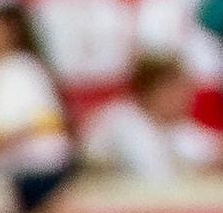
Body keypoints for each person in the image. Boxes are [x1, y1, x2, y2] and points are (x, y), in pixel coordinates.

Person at [81, 54, 223, 180]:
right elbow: (155, 179)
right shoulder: (124, 123)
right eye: (176, 90)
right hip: (99, 203)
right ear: (151, 92)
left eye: (186, 89)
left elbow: (206, 150)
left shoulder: (172, 123)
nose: (187, 98)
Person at [0, 0, 73, 178]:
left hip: (35, 172)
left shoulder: (23, 69)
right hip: (13, 170)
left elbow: (41, 123)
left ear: (9, 31)